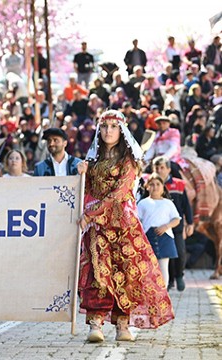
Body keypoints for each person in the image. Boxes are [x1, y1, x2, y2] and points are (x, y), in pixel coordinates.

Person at [77, 110, 174, 343]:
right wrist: (82, 174)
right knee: (96, 273)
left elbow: (120, 192)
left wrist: (92, 213)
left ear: (121, 131)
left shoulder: (128, 161)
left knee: (125, 273)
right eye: (104, 126)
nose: (108, 130)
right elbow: (87, 190)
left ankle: (122, 324)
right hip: (97, 226)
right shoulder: (93, 161)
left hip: (123, 223)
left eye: (113, 126)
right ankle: (96, 324)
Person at [152, 156, 193, 291]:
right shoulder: (152, 185)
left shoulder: (179, 184)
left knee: (180, 252)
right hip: (159, 226)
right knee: (165, 254)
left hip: (176, 224)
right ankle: (168, 282)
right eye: (156, 168)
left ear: (169, 169)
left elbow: (186, 205)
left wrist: (190, 223)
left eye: (162, 167)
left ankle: (180, 275)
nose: (159, 170)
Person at [137, 174, 181, 288]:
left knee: (163, 267)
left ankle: (163, 293)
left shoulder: (168, 203)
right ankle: (150, 293)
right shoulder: (142, 203)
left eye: (158, 184)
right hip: (148, 238)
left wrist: (166, 226)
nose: (155, 187)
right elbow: (137, 220)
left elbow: (176, 219)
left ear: (163, 187)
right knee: (148, 267)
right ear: (147, 187)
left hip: (165, 237)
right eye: (152, 184)